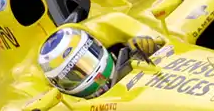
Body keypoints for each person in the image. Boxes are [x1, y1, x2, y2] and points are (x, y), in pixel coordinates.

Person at [37, 25, 165, 99]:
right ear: (59, 85)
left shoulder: (133, 55)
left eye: (87, 60)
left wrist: (151, 49)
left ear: (98, 45)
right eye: (74, 74)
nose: (94, 76)